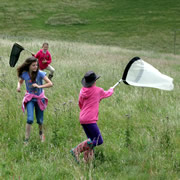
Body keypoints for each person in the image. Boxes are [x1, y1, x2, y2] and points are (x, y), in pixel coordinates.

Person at [70, 71, 114, 163]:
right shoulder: (98, 90)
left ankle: (87, 161)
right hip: (90, 119)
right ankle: (76, 150)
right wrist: (111, 89)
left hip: (83, 118)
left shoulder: (82, 91)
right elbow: (107, 94)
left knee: (91, 140)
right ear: (94, 81)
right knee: (98, 140)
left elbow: (80, 103)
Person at [17, 56, 53, 145]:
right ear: (28, 66)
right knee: (30, 119)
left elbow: (50, 83)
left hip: (40, 99)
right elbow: (20, 81)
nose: (35, 67)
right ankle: (26, 140)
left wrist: (39, 86)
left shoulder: (40, 73)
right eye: (33, 65)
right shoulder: (25, 74)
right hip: (30, 99)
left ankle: (41, 135)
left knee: (40, 120)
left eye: (36, 65)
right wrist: (18, 87)